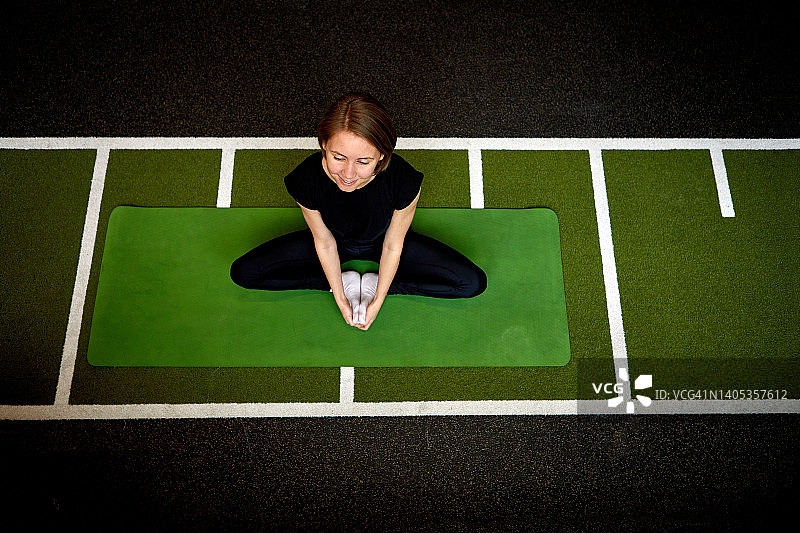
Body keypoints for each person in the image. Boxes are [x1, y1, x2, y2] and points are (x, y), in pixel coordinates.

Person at [230, 92, 486, 330]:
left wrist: (378, 297)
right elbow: (324, 242)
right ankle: (338, 281)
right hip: (335, 242)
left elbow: (393, 245)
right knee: (244, 273)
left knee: (472, 282)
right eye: (338, 157)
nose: (348, 174)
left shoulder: (404, 180)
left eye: (363, 161)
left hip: (382, 242)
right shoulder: (304, 178)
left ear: (382, 156)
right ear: (323, 144)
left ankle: (381, 284)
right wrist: (340, 295)